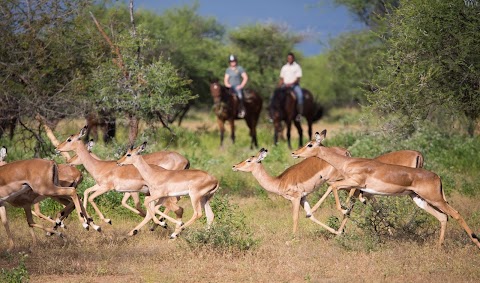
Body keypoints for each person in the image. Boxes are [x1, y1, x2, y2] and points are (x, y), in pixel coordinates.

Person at [278, 52, 303, 122]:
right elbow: (281, 78)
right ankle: (275, 113)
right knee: (276, 96)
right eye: (288, 58)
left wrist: (291, 83)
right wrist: (279, 86)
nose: (289, 59)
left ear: (293, 59)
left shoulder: (297, 67)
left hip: (294, 85)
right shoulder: (284, 67)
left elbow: (298, 79)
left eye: (291, 58)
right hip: (285, 85)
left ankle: (299, 114)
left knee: (300, 96)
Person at [224, 54, 248, 118]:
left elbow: (245, 77)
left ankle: (241, 109)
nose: (233, 63)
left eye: (234, 61)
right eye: (231, 62)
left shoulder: (240, 68)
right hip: (230, 87)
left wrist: (241, 85)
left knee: (240, 96)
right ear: (229, 62)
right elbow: (226, 79)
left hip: (237, 86)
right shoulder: (228, 70)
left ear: (236, 61)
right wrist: (227, 84)